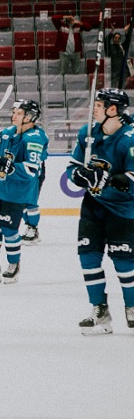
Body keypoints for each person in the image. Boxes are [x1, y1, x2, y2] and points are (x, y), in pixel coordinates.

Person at [65, 88, 134, 335]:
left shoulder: (131, 137)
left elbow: (132, 178)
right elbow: (72, 168)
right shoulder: (88, 133)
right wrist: (80, 175)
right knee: (88, 257)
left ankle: (132, 307)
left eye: (99, 103)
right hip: (93, 206)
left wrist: (108, 179)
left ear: (113, 109)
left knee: (123, 261)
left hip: (124, 208)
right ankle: (100, 310)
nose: (94, 107)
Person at [0, 99, 48, 285]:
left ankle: (14, 265)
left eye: (19, 113)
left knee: (8, 229)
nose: (13, 115)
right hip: (1, 188)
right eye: (13, 112)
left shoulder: (35, 137)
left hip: (19, 191)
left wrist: (8, 166)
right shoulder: (7, 134)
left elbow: (31, 169)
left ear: (29, 117)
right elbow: (0, 158)